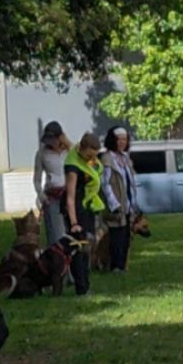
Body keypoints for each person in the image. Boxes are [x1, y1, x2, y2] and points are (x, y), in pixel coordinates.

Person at [63, 132, 104, 296]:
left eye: (94, 156)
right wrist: (74, 223)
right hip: (75, 210)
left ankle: (86, 284)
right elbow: (70, 198)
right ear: (81, 148)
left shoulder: (83, 155)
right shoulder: (72, 169)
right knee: (78, 249)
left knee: (87, 247)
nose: (91, 159)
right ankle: (81, 287)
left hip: (87, 207)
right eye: (89, 155)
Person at [100, 126, 137, 273]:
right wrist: (113, 203)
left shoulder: (125, 158)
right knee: (116, 236)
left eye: (124, 139)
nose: (122, 142)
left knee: (126, 236)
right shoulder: (107, 159)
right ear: (112, 140)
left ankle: (122, 265)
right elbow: (105, 183)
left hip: (127, 204)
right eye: (119, 139)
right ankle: (115, 266)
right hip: (115, 205)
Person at [33, 121, 72, 246]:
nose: (50, 143)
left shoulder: (70, 152)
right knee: (56, 234)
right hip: (53, 196)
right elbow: (37, 179)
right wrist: (41, 195)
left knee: (72, 230)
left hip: (70, 194)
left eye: (53, 139)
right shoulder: (42, 154)